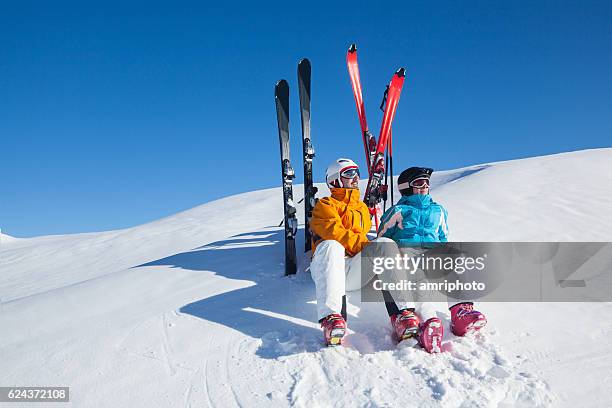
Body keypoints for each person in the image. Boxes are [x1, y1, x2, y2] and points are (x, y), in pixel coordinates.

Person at [309, 158, 442, 351]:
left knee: (384, 244)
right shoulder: (325, 205)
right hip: (329, 267)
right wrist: (365, 247)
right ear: (335, 180)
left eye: (356, 172)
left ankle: (402, 315)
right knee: (332, 245)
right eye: (348, 173)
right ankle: (332, 319)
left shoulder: (362, 209)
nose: (354, 177)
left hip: (353, 270)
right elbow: (335, 234)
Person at [377, 167, 487, 348]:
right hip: (407, 251)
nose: (424, 186)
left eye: (427, 183)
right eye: (419, 183)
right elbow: (383, 237)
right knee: (415, 273)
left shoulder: (439, 210)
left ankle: (461, 312)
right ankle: (425, 322)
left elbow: (443, 236)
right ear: (406, 187)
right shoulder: (398, 210)